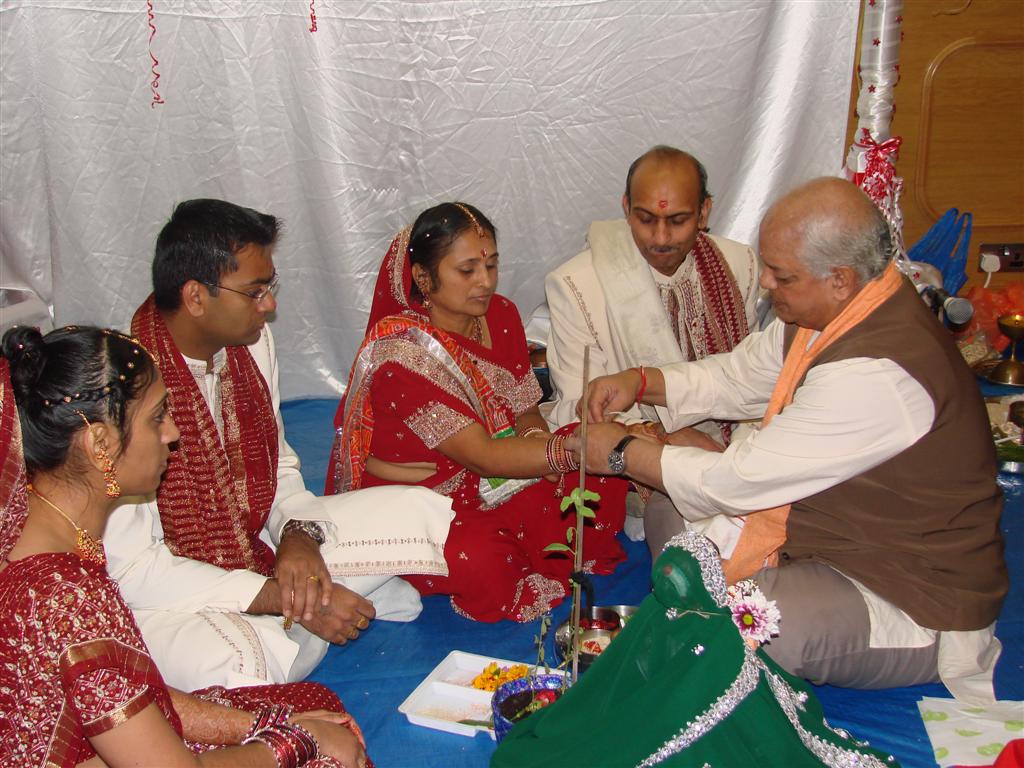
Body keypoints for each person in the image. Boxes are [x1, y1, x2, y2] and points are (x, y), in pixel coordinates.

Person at [574, 178, 1007, 702]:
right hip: (815, 533)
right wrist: (642, 381)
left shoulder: (880, 374)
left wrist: (621, 453)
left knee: (750, 616)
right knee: (672, 508)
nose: (766, 288)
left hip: (904, 589)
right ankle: (702, 604)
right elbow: (737, 377)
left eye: (780, 276)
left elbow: (736, 480)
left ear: (840, 279)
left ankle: (721, 618)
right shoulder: (834, 311)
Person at [106, 199, 454, 690]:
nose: (270, 305)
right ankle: (316, 608)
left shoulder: (250, 343)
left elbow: (280, 466)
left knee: (422, 511)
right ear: (195, 296)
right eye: (255, 291)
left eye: (270, 287)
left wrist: (297, 535)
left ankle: (311, 609)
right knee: (238, 666)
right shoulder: (124, 391)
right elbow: (138, 570)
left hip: (256, 544)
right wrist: (279, 595)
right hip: (163, 593)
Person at [0, 325, 369, 768]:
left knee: (308, 702)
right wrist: (296, 741)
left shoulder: (32, 526)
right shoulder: (70, 599)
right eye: (157, 417)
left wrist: (255, 724)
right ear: (100, 443)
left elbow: (122, 696)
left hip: (102, 747)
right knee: (330, 754)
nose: (173, 432)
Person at [325, 202, 627, 623]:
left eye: (492, 265)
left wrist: (541, 444)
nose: (485, 282)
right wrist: (568, 452)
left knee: (599, 471)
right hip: (427, 494)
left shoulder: (500, 315)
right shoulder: (404, 356)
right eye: (467, 271)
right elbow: (481, 454)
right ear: (423, 277)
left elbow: (524, 409)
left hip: (498, 469)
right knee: (485, 558)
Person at [491, 532, 899, 768]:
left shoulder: (655, 614)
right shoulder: (718, 632)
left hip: (651, 715)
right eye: (716, 565)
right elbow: (747, 696)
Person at [544, 145, 759, 553]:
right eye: (645, 219)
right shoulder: (576, 285)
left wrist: (740, 458)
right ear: (626, 208)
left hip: (736, 447)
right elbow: (582, 408)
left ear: (704, 212)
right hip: (646, 460)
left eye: (677, 221)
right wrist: (674, 438)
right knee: (703, 551)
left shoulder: (740, 264)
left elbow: (756, 378)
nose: (660, 238)